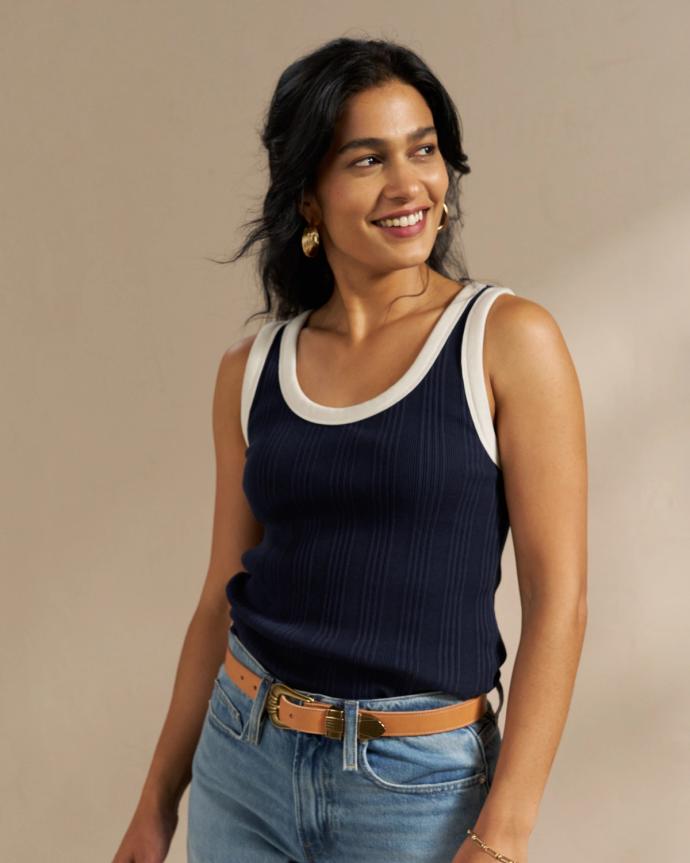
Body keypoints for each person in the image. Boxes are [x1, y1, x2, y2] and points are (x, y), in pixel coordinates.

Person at [112, 36, 587, 863]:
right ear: (308, 197)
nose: (409, 185)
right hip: (243, 760)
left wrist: (503, 834)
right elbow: (217, 601)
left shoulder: (505, 342)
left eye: (425, 150)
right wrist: (155, 805)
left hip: (419, 790)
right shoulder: (252, 370)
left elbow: (560, 601)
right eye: (368, 159)